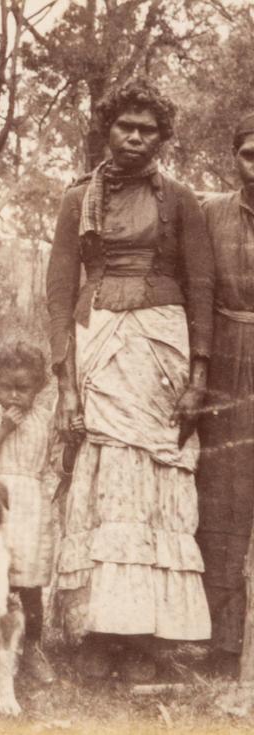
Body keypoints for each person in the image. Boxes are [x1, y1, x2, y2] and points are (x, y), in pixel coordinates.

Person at [46, 79, 213, 682]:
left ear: (161, 138)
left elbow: (201, 288)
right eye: (126, 126)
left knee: (154, 480)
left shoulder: (182, 200)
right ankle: (100, 632)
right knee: (105, 477)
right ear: (108, 130)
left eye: (148, 129)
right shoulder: (77, 200)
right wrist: (66, 384)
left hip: (162, 352)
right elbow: (58, 291)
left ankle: (146, 636)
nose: (136, 138)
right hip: (99, 346)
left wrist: (198, 376)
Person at [196, 111, 254, 676]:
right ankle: (221, 641)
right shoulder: (210, 210)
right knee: (222, 497)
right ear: (235, 158)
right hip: (225, 359)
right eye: (250, 154)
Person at [0, 339, 56, 685]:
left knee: (29, 586)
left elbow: (57, 462)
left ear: (39, 387)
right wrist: (2, 429)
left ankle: (31, 649)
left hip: (31, 509)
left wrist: (72, 439)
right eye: (6, 387)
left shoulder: (45, 420)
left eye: (23, 388)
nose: (14, 396)